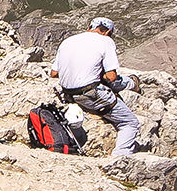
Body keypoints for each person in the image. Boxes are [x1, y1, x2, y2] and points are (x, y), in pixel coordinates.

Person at [52, 16, 140, 158]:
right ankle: (120, 158)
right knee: (130, 122)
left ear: (90, 28)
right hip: (90, 94)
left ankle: (130, 83)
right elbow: (111, 76)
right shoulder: (106, 41)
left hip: (68, 93)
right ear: (107, 32)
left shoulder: (68, 41)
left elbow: (54, 73)